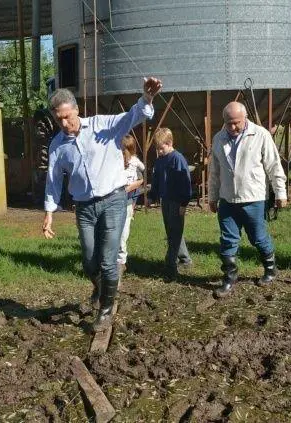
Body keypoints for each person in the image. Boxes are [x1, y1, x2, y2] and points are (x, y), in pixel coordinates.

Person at [42, 77, 162, 332]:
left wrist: (147, 98)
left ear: (76, 110)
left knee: (108, 261)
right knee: (88, 260)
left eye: (67, 116)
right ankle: (101, 288)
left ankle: (105, 310)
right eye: (58, 119)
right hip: (85, 208)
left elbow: (134, 116)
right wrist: (49, 213)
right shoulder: (58, 145)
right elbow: (52, 180)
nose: (64, 123)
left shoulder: (103, 125)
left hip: (114, 201)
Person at [208, 102, 287, 297]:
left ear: (245, 118)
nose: (233, 127)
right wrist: (212, 197)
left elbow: (274, 166)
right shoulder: (218, 139)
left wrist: (280, 193)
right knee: (227, 240)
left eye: (236, 123)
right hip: (227, 200)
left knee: (258, 238)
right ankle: (229, 278)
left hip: (254, 198)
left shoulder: (260, 135)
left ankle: (270, 270)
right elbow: (214, 172)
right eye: (228, 123)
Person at [147, 128, 193, 281]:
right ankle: (185, 259)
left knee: (174, 233)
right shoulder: (160, 160)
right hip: (165, 201)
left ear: (170, 143)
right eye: (157, 148)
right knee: (172, 231)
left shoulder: (178, 159)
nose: (159, 151)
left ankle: (170, 266)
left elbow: (186, 183)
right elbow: (156, 179)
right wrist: (151, 196)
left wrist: (184, 203)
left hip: (177, 201)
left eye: (162, 148)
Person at [117, 135, 145, 274]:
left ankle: (121, 262)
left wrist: (129, 188)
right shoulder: (114, 161)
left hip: (127, 201)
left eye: (125, 151)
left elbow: (141, 179)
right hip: (114, 201)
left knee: (123, 233)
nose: (124, 154)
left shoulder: (134, 163)